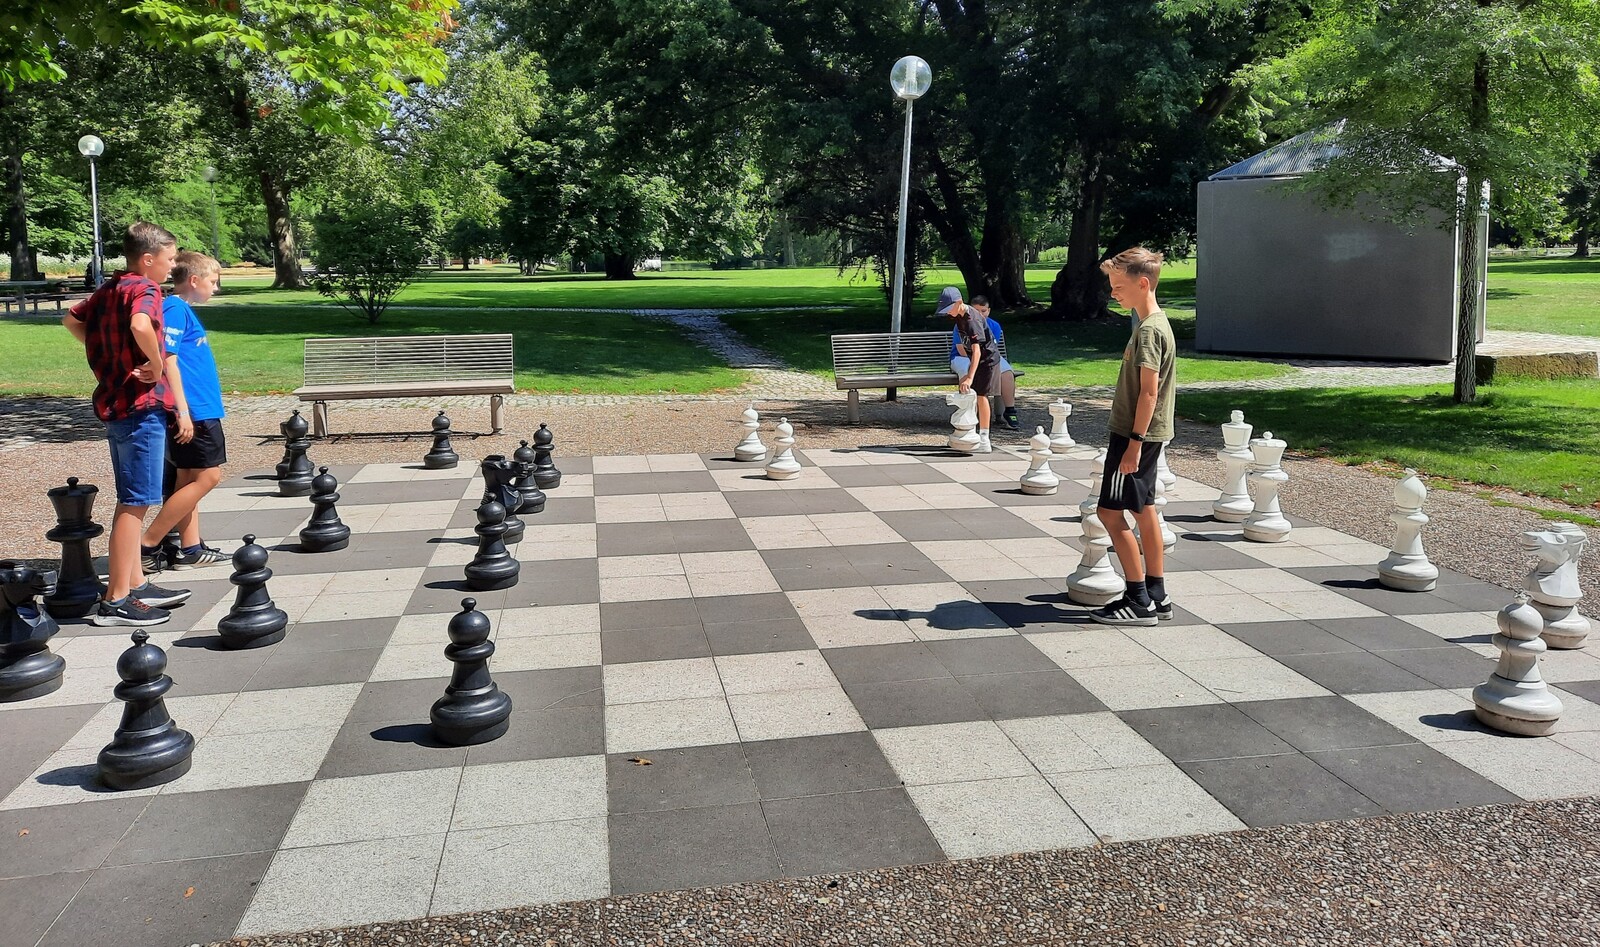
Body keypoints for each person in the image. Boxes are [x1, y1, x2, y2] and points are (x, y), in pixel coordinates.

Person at [62, 223, 192, 626]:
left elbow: (71, 318)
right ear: (148, 259)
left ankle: (134, 582)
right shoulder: (145, 289)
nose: (172, 268)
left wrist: (104, 351)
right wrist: (154, 363)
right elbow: (140, 326)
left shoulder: (109, 287)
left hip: (116, 404)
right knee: (135, 501)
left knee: (132, 495)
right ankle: (117, 598)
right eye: (170, 260)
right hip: (140, 406)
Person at [1089, 247, 1177, 626]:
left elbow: (1149, 392)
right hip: (1145, 435)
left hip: (1133, 436)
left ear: (1143, 284)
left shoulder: (1148, 332)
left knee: (1108, 512)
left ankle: (1138, 600)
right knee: (1144, 510)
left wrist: (1134, 443)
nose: (1113, 293)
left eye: (1118, 286)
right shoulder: (1155, 324)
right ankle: (1158, 593)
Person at [140, 251, 231, 571]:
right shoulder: (176, 309)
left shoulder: (177, 308)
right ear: (194, 280)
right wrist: (183, 411)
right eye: (213, 281)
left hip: (197, 408)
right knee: (209, 476)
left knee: (188, 479)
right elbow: (168, 359)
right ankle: (147, 544)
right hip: (195, 410)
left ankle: (190, 548)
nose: (215, 288)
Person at [937, 286, 999, 453]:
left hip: (987, 360)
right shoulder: (958, 315)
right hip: (975, 359)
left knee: (981, 395)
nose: (948, 313)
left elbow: (978, 350)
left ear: (959, 303)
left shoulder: (972, 320)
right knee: (970, 393)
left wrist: (970, 377)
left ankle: (985, 438)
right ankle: (967, 432)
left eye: (949, 309)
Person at [949, 295, 1021, 429]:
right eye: (976, 310)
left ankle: (1010, 410)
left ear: (989, 310)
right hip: (963, 356)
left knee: (1006, 372)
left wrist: (981, 363)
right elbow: (961, 348)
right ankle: (969, 412)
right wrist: (974, 368)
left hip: (986, 356)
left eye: (983, 311)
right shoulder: (962, 322)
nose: (980, 314)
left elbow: (989, 348)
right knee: (967, 371)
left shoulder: (994, 325)